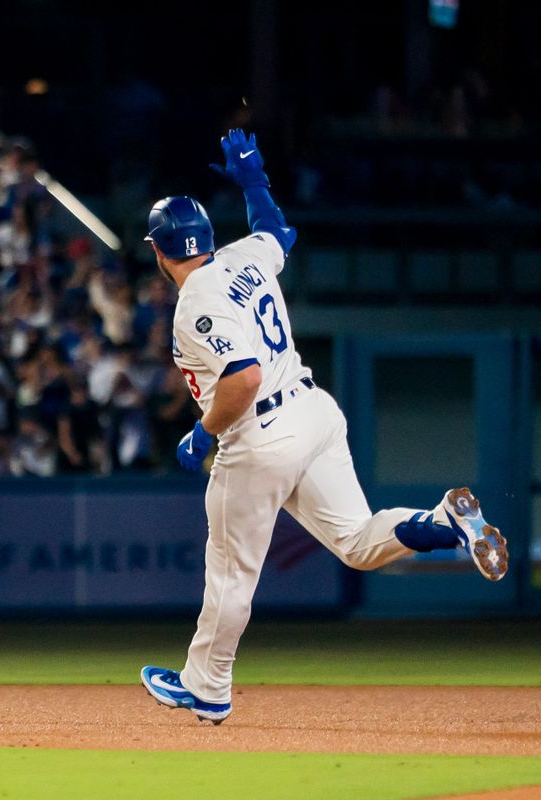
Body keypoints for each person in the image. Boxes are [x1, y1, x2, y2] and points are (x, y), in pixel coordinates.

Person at [139, 130, 509, 725]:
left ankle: (206, 686)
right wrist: (254, 179)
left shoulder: (193, 305)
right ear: (206, 239)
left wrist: (203, 433)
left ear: (158, 250)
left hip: (260, 433)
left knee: (232, 573)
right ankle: (444, 522)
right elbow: (278, 231)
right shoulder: (244, 257)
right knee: (360, 544)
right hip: (314, 411)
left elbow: (242, 376)